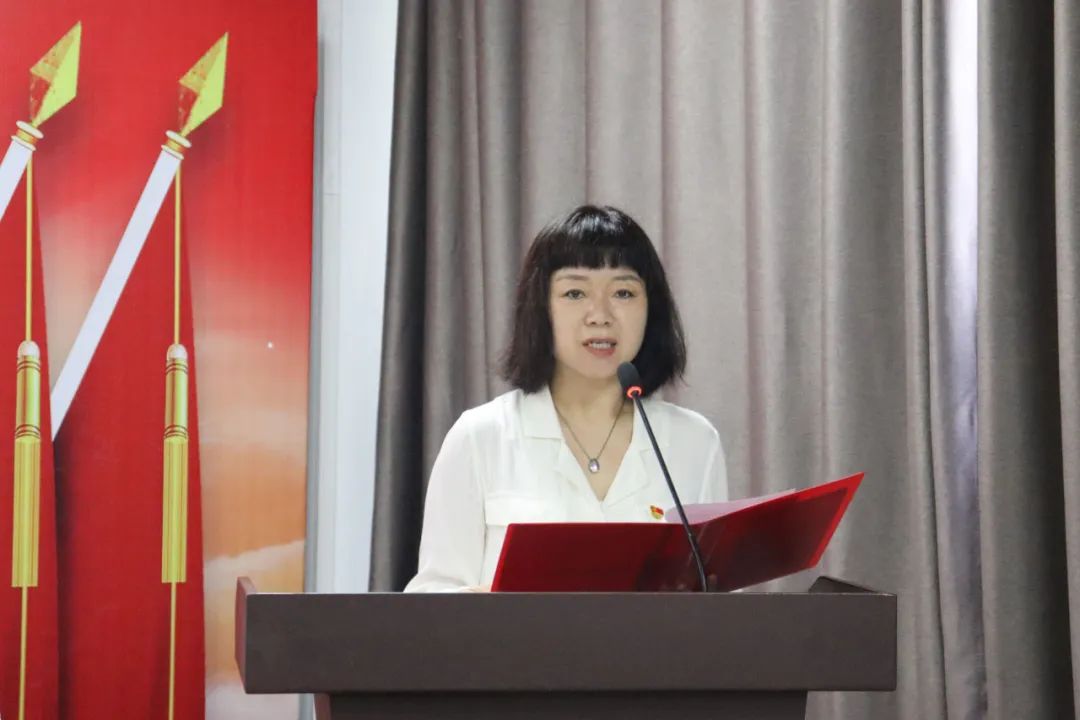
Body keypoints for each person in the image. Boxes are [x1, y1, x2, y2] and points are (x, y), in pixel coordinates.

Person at [404, 205, 728, 592]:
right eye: (575, 293)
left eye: (623, 292)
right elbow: (432, 598)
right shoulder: (480, 437)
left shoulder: (695, 442)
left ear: (650, 309)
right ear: (541, 308)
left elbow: (721, 601)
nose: (600, 315)